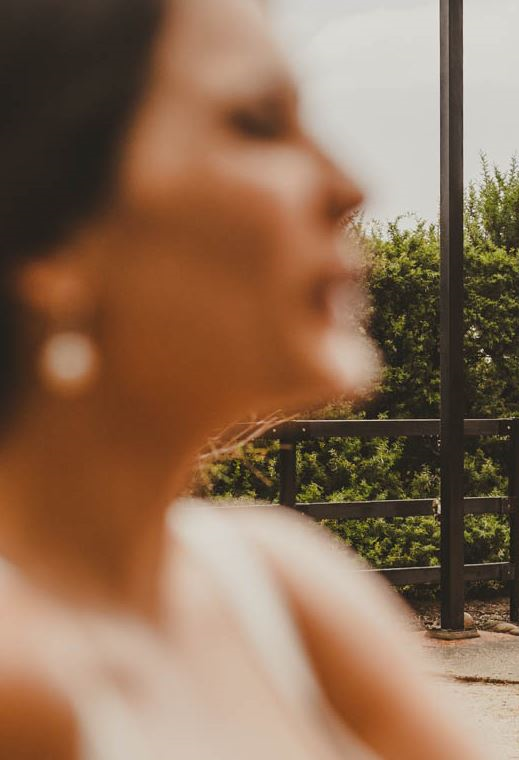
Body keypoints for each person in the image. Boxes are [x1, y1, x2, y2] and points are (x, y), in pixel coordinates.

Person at [0, 0, 480, 757]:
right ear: (53, 239)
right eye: (257, 122)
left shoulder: (284, 582)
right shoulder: (20, 693)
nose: (350, 185)